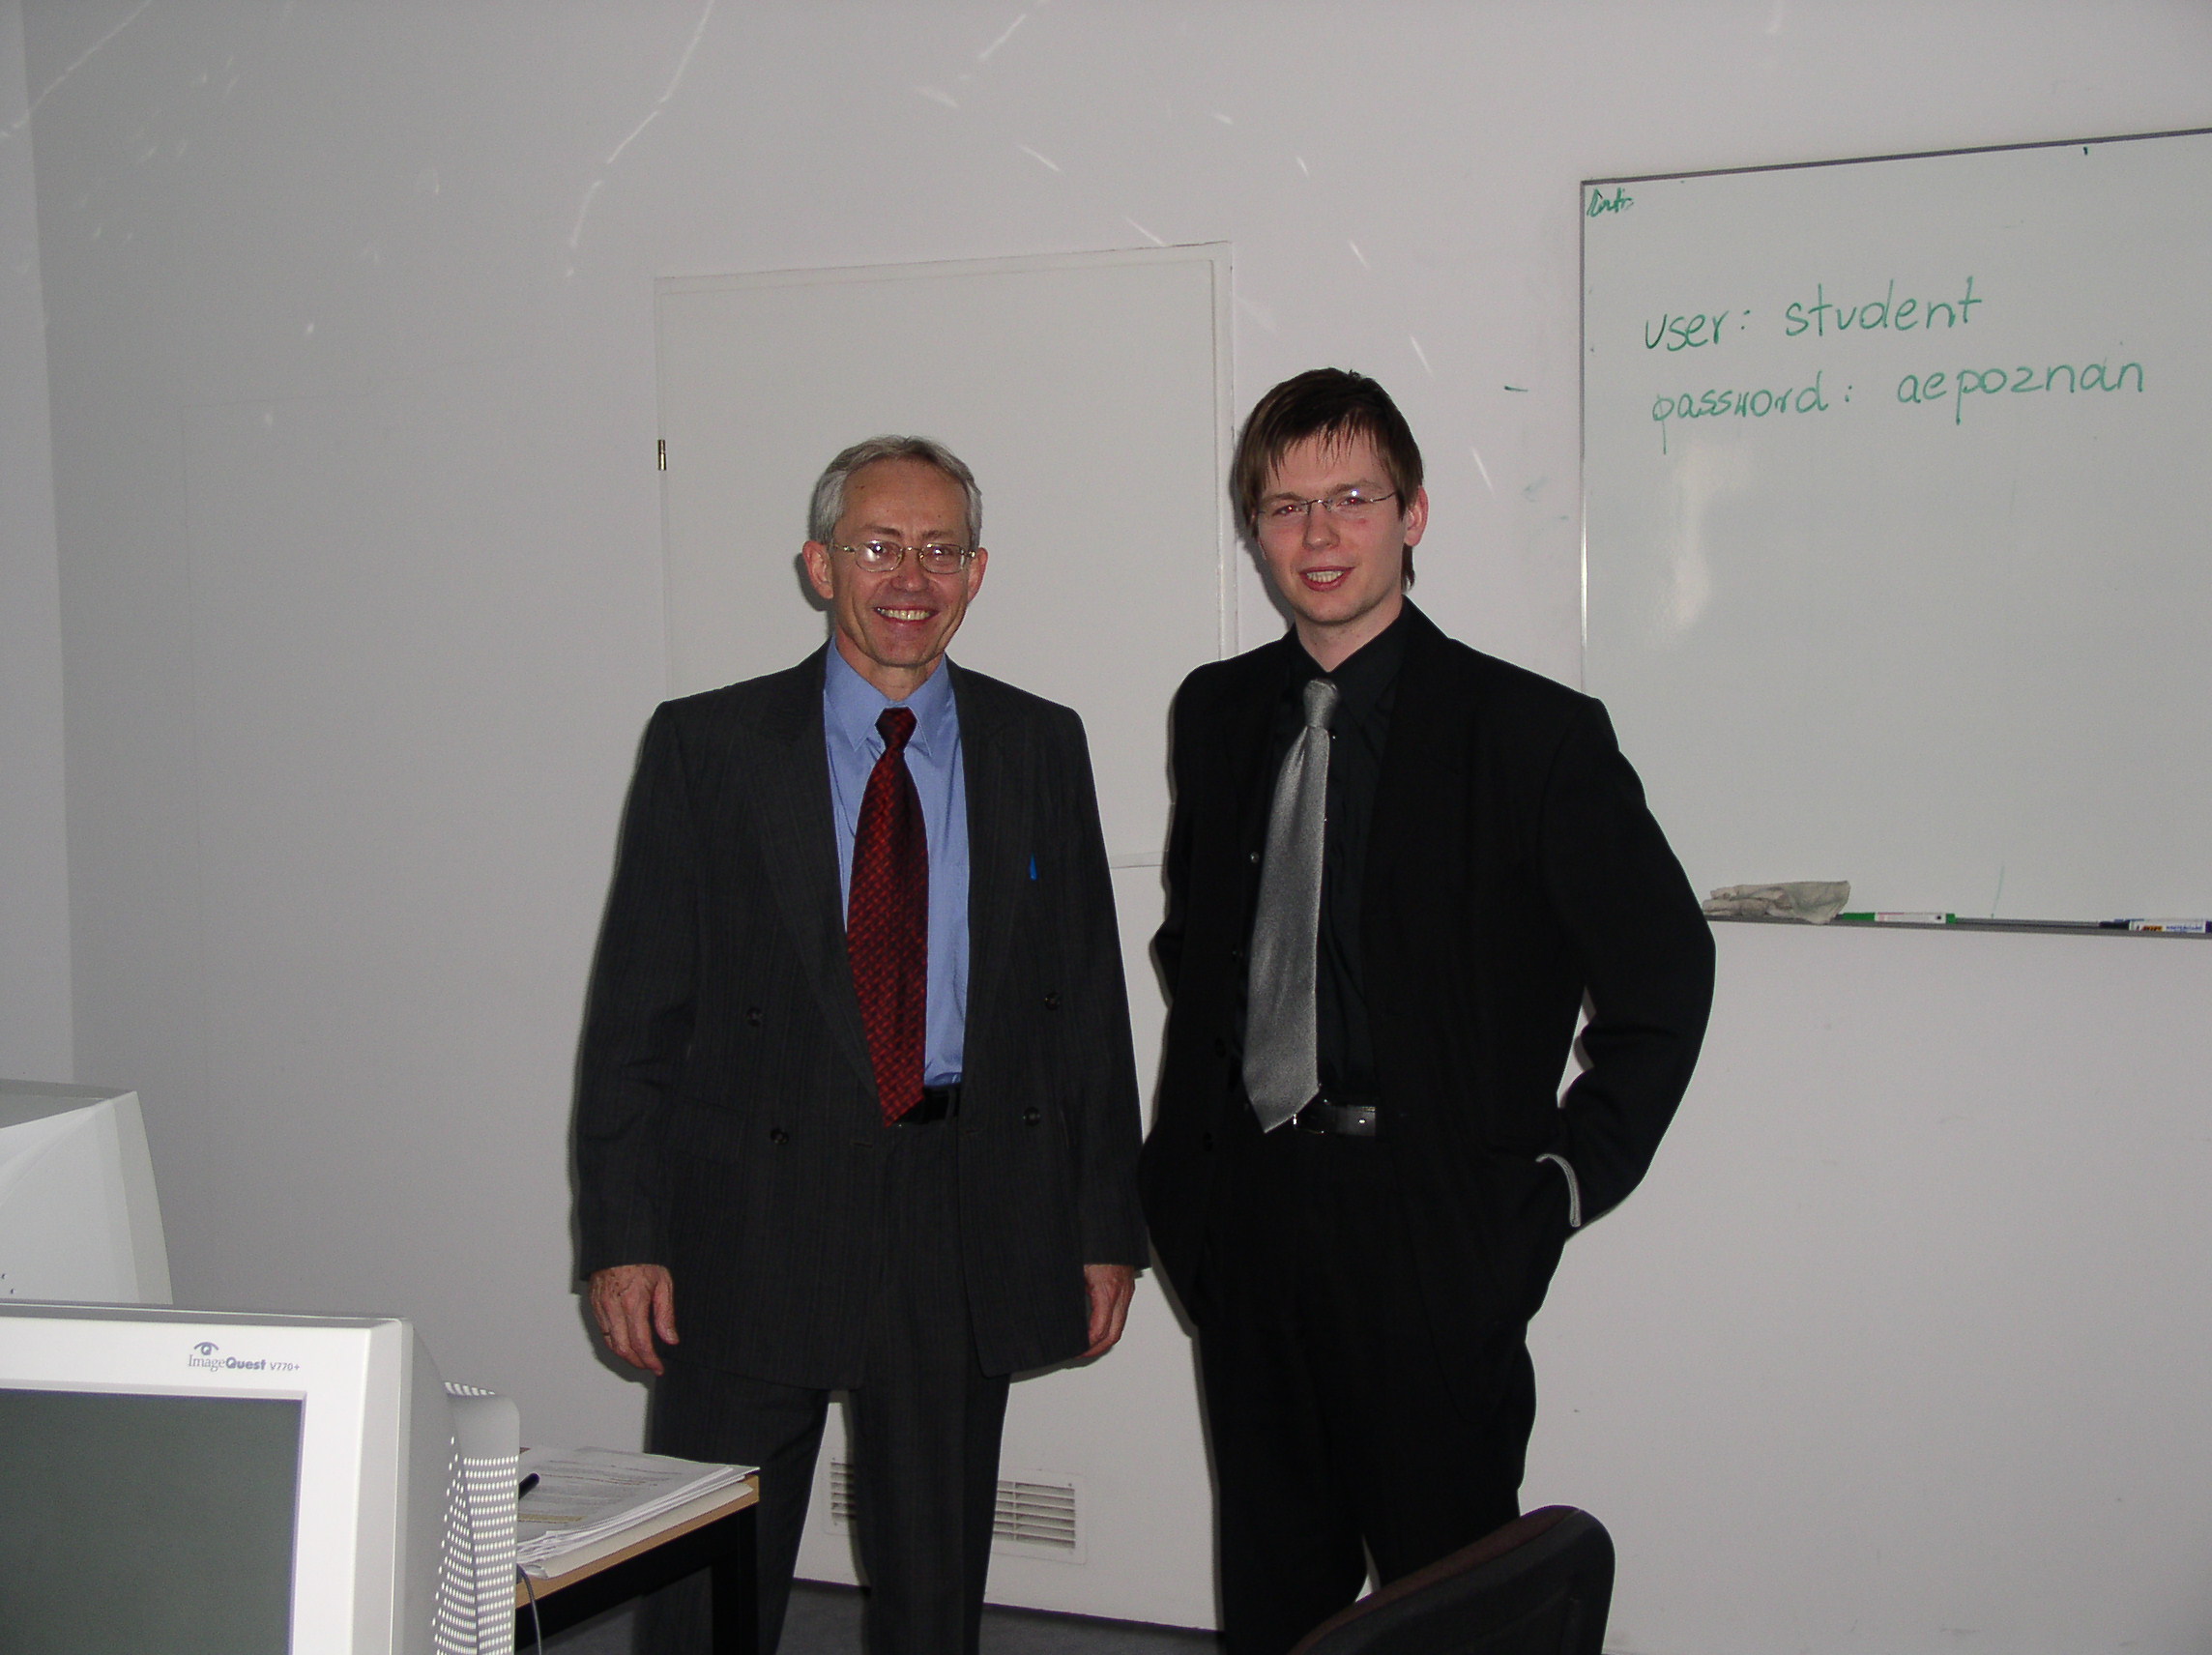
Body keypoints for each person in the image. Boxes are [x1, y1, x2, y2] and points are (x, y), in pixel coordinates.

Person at [1141, 369, 1714, 1655]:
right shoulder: (1217, 711)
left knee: (1451, 1610)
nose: (1319, 535)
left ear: (1412, 513)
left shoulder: (1532, 734)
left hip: (1436, 1236)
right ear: (1254, 528)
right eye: (1284, 506)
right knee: (1275, 1609)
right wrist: (1189, 1192)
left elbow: (1665, 975)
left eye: (1352, 498)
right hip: (1251, 1226)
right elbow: (1204, 942)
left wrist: (1561, 1183)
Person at [575, 435, 1145, 1655]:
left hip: (957, 1210)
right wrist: (623, 1236)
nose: (909, 577)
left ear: (976, 572)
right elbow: (636, 1014)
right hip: (745, 1223)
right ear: (819, 563)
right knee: (704, 1596)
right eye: (878, 545)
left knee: (933, 1601)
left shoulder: (1039, 745)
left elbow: (1086, 1004)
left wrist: (1105, 1224)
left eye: (940, 550)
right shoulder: (707, 747)